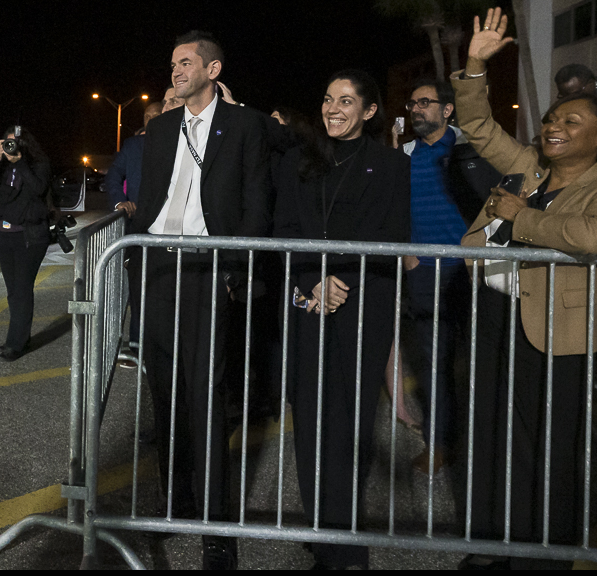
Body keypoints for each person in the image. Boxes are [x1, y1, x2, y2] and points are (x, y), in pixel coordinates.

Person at [456, 9, 597, 570]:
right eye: (551, 119)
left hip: (556, 334)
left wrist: (521, 219)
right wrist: (474, 63)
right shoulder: (530, 167)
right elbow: (478, 126)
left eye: (571, 120)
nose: (553, 127)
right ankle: (491, 545)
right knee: (493, 438)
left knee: (550, 452)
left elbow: (590, 237)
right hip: (495, 316)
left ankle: (542, 558)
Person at [129, 31, 270, 570]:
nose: (175, 71)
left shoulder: (245, 125)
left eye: (186, 63)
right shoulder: (162, 127)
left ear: (214, 69)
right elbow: (154, 199)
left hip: (209, 272)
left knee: (207, 398)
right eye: (172, 63)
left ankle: (216, 529)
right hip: (158, 269)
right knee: (165, 397)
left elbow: (256, 199)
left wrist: (238, 270)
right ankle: (174, 503)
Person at [274, 69, 410, 570]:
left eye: (347, 101)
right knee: (310, 420)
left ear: (369, 111)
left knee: (351, 422)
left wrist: (341, 279)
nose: (334, 108)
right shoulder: (296, 162)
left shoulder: (391, 165)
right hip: (309, 301)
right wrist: (314, 282)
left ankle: (346, 542)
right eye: (329, 99)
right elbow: (283, 229)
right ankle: (320, 530)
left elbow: (393, 233)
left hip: (363, 304)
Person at [400, 77, 500, 475]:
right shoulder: (404, 155)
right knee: (434, 363)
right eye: (412, 104)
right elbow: (396, 210)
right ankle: (439, 445)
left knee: (480, 363)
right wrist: (408, 255)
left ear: (447, 110)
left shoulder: (471, 150)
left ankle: (484, 447)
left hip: (472, 273)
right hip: (424, 272)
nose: (416, 109)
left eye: (425, 102)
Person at [0, 127, 52, 361]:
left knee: (21, 289)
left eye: (14, 143)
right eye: (7, 143)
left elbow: (38, 188)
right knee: (13, 291)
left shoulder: (39, 164)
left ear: (25, 144)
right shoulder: (4, 166)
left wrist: (20, 162)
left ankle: (16, 344)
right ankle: (19, 337)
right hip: (7, 235)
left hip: (30, 236)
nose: (11, 147)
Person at [106, 101, 162, 363]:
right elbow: (113, 176)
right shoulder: (132, 146)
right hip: (139, 232)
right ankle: (137, 345)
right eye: (146, 116)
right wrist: (120, 202)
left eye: (156, 114)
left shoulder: (180, 143)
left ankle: (162, 346)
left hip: (170, 234)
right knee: (138, 289)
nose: (150, 119)